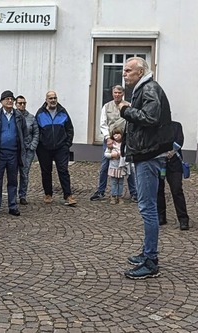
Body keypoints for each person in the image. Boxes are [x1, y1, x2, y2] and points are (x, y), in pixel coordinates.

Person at [120, 56, 174, 279]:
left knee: (147, 208)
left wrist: (125, 109)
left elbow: (150, 117)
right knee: (147, 207)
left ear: (140, 72)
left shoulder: (149, 88)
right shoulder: (145, 88)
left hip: (148, 156)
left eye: (128, 70)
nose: (124, 74)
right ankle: (147, 252)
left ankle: (151, 261)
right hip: (145, 154)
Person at [0, 91, 27, 217]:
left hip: (13, 153)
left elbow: (25, 133)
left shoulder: (19, 116)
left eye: (11, 99)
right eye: (7, 99)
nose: (9, 101)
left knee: (13, 181)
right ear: (1, 101)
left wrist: (24, 146)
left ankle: (12, 206)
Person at [90, 85, 137, 202]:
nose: (117, 95)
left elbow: (132, 123)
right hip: (110, 139)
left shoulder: (128, 106)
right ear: (112, 93)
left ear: (123, 94)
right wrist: (107, 138)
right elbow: (103, 123)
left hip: (125, 140)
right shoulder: (106, 106)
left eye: (119, 93)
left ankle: (134, 193)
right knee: (105, 165)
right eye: (115, 93)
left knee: (129, 166)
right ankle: (101, 191)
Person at [35, 91, 77, 206]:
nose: (53, 100)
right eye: (50, 98)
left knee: (63, 170)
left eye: (55, 98)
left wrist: (67, 144)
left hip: (61, 148)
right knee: (46, 171)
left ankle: (68, 195)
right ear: (46, 100)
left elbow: (70, 129)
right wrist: (39, 145)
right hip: (44, 148)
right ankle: (48, 194)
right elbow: (36, 131)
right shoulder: (40, 113)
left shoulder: (63, 112)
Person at [157, 121, 190, 230]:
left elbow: (179, 140)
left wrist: (171, 151)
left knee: (176, 190)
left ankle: (183, 219)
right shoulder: (155, 127)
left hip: (174, 163)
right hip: (159, 162)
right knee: (159, 190)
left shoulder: (176, 126)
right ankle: (161, 216)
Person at [16, 95, 39, 205]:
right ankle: (12, 195)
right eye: (20, 103)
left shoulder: (31, 117)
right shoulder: (12, 116)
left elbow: (36, 133)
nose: (22, 105)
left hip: (28, 151)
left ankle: (22, 195)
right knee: (13, 173)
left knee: (24, 173)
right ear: (16, 104)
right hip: (15, 150)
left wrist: (32, 146)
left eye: (24, 103)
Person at [103, 127, 129, 204]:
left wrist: (122, 154)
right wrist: (112, 155)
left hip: (121, 167)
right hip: (113, 167)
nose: (116, 136)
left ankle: (120, 196)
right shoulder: (111, 145)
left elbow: (126, 152)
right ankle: (113, 196)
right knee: (114, 182)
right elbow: (106, 154)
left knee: (121, 183)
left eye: (118, 134)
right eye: (114, 134)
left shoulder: (124, 144)